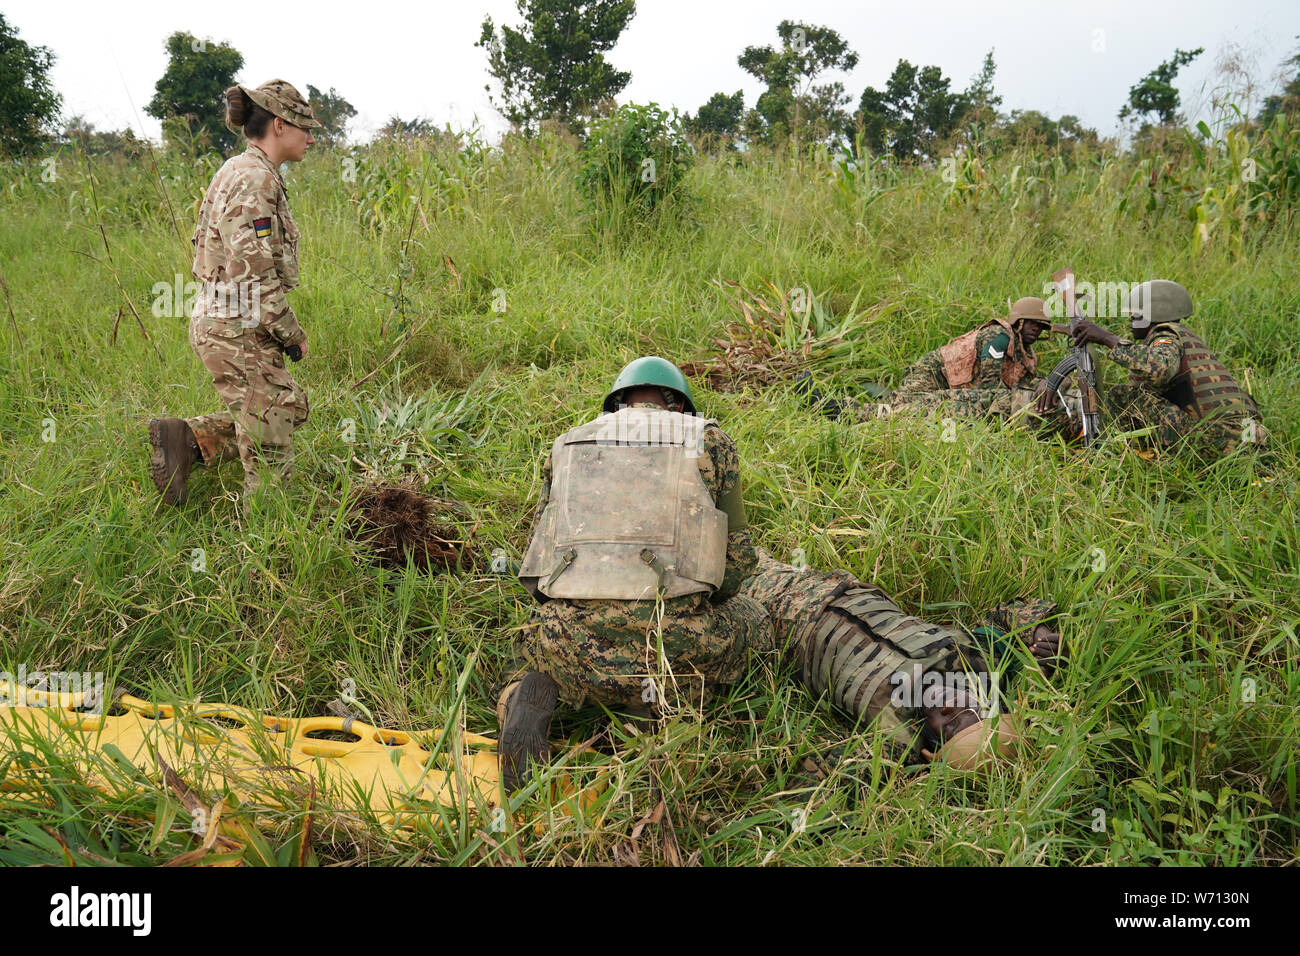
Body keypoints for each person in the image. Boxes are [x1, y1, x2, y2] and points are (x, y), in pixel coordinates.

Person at [498, 357, 773, 790]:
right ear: (679, 407)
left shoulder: (567, 444)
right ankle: (662, 707)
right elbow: (737, 566)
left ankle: (521, 696)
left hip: (573, 643)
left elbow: (537, 573)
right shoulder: (709, 440)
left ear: (618, 405)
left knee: (534, 646)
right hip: (673, 640)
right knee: (757, 621)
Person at [148, 80, 320, 507]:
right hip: (236, 327)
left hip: (228, 321)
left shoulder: (240, 169)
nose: (312, 138)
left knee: (291, 406)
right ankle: (269, 546)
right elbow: (255, 277)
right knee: (271, 449)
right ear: (279, 125)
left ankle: (188, 441)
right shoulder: (254, 180)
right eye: (305, 127)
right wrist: (291, 333)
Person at [739, 548, 1063, 769]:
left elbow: (827, 773)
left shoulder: (898, 739)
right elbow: (1012, 612)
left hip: (774, 627)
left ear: (932, 744)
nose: (949, 709)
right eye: (967, 713)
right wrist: (1040, 637)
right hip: (828, 587)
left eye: (948, 729)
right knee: (735, 549)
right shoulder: (980, 660)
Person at [1032, 280, 1266, 458]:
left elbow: (1159, 369)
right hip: (1250, 440)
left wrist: (1107, 338)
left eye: (1136, 313)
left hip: (1223, 440)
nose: (1131, 318)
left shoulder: (1166, 335)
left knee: (1124, 397)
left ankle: (1110, 454)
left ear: (1155, 314)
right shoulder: (1186, 340)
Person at [802, 296, 1054, 422]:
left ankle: (854, 402)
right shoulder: (999, 336)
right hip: (934, 374)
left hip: (952, 389)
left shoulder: (1026, 355)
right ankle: (835, 407)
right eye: (1033, 324)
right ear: (1019, 321)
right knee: (901, 412)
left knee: (908, 412)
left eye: (1041, 327)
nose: (1037, 330)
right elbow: (988, 387)